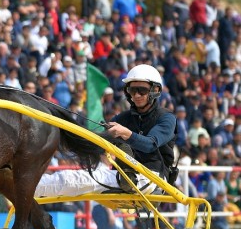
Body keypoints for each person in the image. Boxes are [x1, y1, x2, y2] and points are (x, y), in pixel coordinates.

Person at [35, 64, 176, 197]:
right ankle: (30, 186)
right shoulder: (123, 118)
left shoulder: (166, 118)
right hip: (123, 175)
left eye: (142, 90)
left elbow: (150, 144)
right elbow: (98, 141)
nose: (137, 95)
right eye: (133, 90)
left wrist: (126, 133)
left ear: (155, 90)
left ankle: (28, 188)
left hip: (153, 178)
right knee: (76, 177)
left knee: (76, 179)